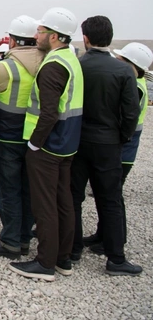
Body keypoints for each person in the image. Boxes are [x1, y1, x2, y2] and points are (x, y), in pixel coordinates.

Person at [10, 7, 83, 282]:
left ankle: (45, 263)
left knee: (44, 206)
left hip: (48, 147)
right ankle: (63, 259)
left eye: (40, 31)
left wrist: (34, 143)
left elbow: (49, 113)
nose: (36, 35)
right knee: (63, 201)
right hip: (67, 143)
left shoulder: (52, 66)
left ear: (53, 36)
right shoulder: (70, 59)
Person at [69, 16, 141, 276]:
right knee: (110, 199)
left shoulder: (77, 67)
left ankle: (73, 249)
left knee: (73, 197)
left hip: (78, 141)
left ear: (85, 39)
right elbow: (131, 112)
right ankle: (116, 258)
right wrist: (122, 137)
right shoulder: (123, 71)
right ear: (109, 38)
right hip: (109, 143)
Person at [0, 15, 43, 260]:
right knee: (28, 190)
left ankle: (10, 242)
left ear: (14, 41)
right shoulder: (48, 63)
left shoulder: (5, 67)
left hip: (7, 137)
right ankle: (25, 239)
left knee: (8, 191)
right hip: (36, 137)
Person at [83, 42, 152, 255]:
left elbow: (126, 117)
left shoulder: (135, 86)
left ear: (132, 64)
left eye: (121, 59)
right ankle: (103, 235)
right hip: (121, 148)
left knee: (112, 198)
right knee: (107, 195)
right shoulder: (136, 82)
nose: (117, 61)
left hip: (122, 150)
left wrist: (117, 139)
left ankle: (114, 240)